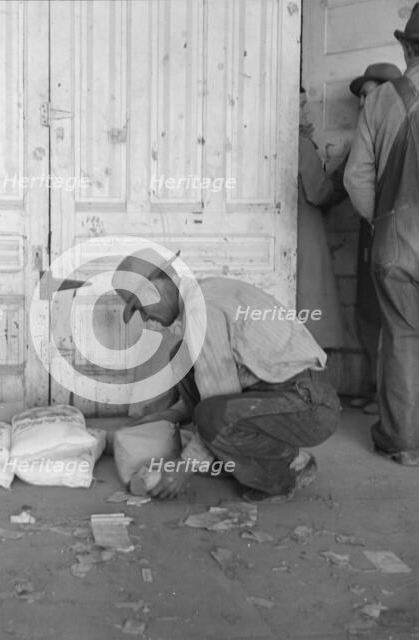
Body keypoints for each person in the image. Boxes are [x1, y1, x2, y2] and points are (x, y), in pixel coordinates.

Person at [112, 249, 341, 502]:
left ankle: (289, 467)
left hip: (310, 405)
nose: (144, 317)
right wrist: (166, 416)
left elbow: (220, 403)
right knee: (182, 357)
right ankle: (228, 453)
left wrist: (185, 468)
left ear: (159, 286)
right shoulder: (203, 292)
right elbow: (213, 382)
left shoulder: (200, 310)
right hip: (286, 390)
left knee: (212, 416)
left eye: (140, 306)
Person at [344, 5, 419, 464]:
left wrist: (382, 220)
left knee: (402, 339)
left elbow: (356, 178)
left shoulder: (381, 100)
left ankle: (405, 442)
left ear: (406, 47)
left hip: (396, 241)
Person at [332, 63, 402, 415]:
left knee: (394, 320)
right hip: (372, 230)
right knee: (368, 312)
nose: (364, 103)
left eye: (369, 93)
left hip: (387, 228)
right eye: (361, 96)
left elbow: (351, 179)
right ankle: (376, 391)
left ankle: (390, 402)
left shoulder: (395, 123)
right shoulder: (366, 134)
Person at [297, 88, 346, 349]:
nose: (305, 112)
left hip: (284, 234)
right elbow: (319, 193)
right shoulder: (302, 145)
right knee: (311, 302)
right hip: (306, 236)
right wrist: (339, 173)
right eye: (301, 105)